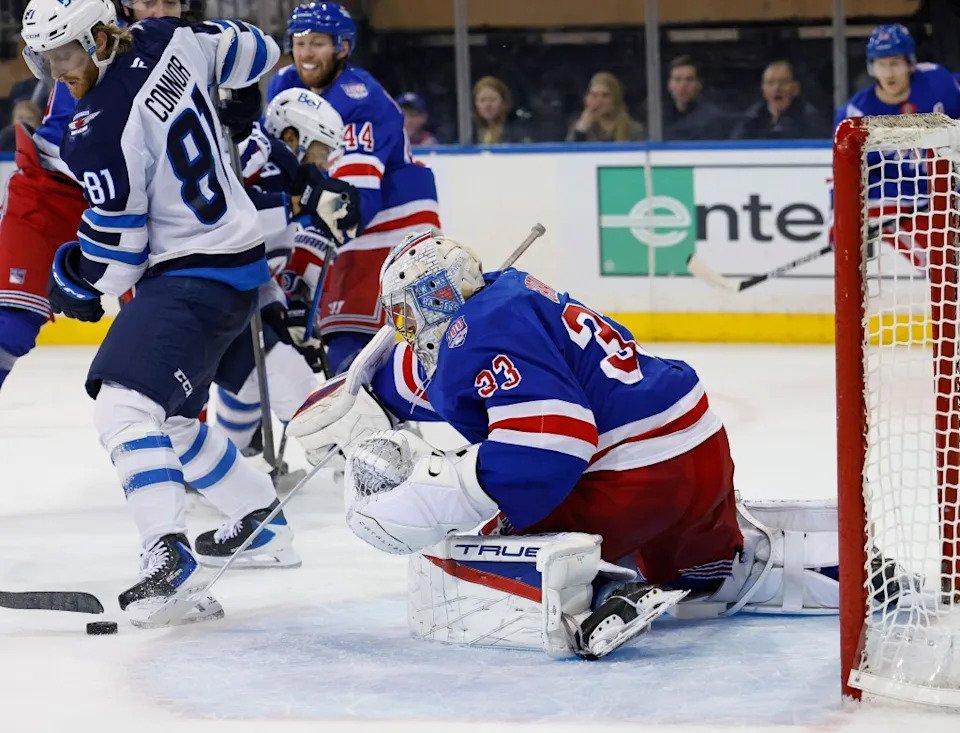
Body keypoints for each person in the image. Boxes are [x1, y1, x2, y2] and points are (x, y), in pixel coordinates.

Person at [287, 229, 842, 658]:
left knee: (487, 540)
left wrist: (449, 488)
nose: (403, 327)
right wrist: (364, 390)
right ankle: (818, 572)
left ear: (435, 298)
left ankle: (603, 585)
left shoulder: (479, 331)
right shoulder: (507, 295)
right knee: (704, 568)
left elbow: (552, 444)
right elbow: (458, 377)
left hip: (638, 478)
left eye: (406, 312)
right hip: (696, 451)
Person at [21, 0, 296, 625]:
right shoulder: (169, 36)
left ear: (97, 35)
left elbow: (119, 259)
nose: (58, 69)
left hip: (194, 275)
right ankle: (261, 519)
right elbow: (260, 50)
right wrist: (230, 98)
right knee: (164, 419)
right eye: (46, 57)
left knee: (123, 405)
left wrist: (74, 279)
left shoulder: (93, 127)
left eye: (65, 51)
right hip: (238, 262)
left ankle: (167, 559)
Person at [0, 0, 184, 391]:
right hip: (53, 186)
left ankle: (187, 442)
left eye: (169, 2)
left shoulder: (191, 47)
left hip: (145, 205)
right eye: (147, 2)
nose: (158, 10)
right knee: (7, 324)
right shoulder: (94, 33)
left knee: (165, 348)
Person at [266, 2, 440, 375]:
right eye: (299, 42)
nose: (306, 53)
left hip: (394, 224)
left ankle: (374, 426)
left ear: (342, 48)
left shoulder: (359, 99)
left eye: (318, 43)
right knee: (337, 350)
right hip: (343, 224)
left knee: (358, 352)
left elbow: (352, 211)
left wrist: (304, 268)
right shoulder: (284, 87)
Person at [835, 24, 960, 127]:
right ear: (871, 67)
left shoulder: (938, 82)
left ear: (910, 64)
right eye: (881, 65)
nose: (889, 74)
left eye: (895, 63)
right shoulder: (855, 114)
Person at [730, 60, 829, 140]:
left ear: (795, 88)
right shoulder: (753, 117)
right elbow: (736, 145)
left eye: (783, 82)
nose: (777, 88)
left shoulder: (809, 119)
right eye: (770, 83)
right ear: (763, 89)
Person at [567, 71, 644, 143]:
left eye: (605, 95)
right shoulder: (579, 128)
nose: (599, 101)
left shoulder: (634, 130)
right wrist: (581, 131)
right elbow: (568, 154)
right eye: (594, 95)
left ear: (615, 99)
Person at [662, 55, 728, 141]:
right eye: (677, 79)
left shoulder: (712, 119)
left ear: (699, 84)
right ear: (669, 84)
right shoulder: (660, 117)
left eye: (689, 80)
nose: (683, 86)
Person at [471, 76, 528, 144]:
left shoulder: (519, 131)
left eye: (493, 99)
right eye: (482, 100)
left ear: (504, 103)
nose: (487, 105)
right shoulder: (470, 131)